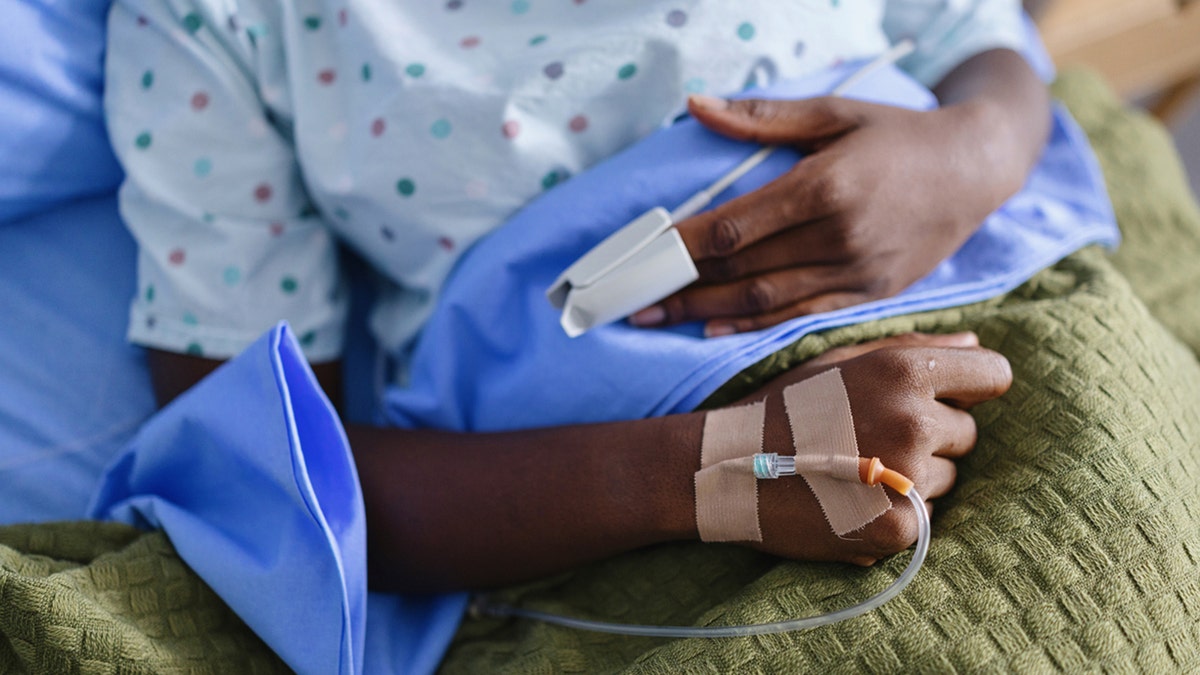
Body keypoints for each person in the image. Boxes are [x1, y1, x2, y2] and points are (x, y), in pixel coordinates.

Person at [103, 0, 1033, 591]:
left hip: (1007, 298)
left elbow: (982, 42)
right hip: (601, 519)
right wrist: (720, 467)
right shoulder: (221, 23)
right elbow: (259, 470)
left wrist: (973, 151)